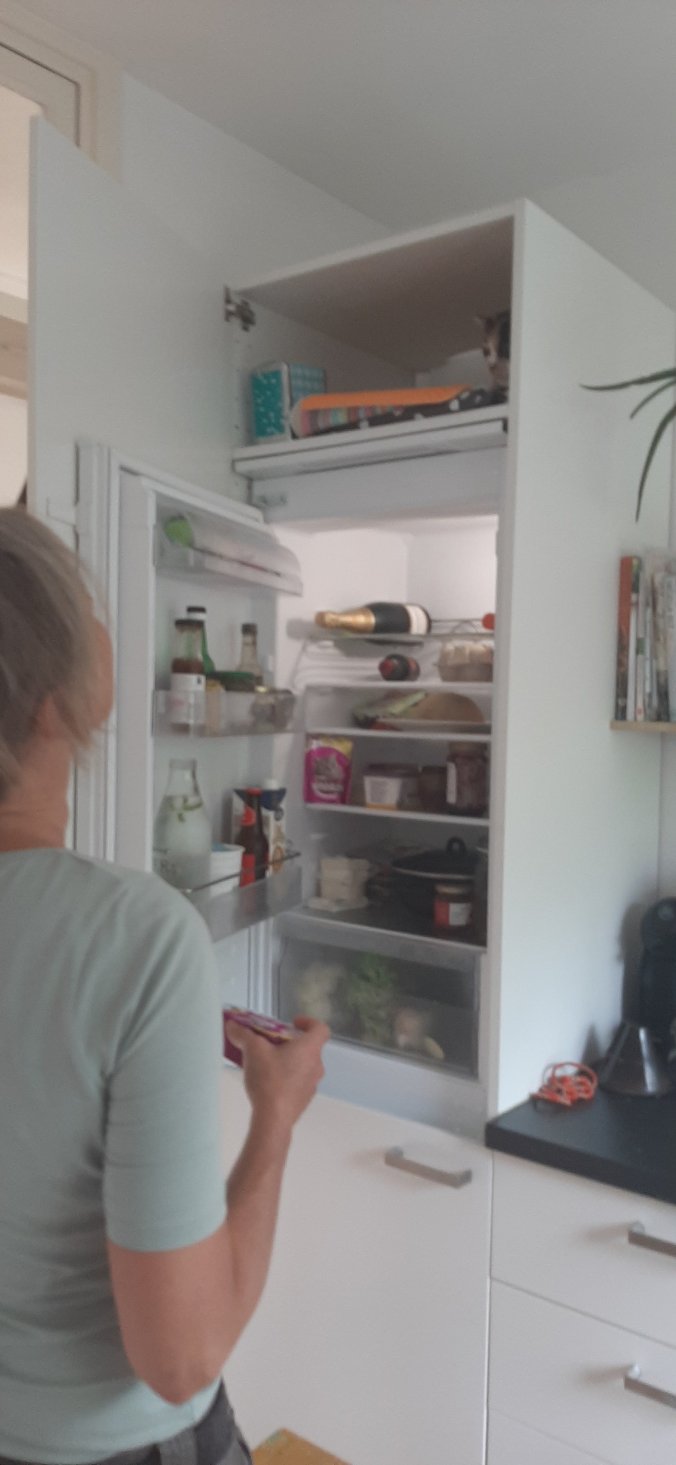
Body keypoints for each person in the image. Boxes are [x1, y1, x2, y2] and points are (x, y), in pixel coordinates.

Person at [0, 508, 329, 1465]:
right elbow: (181, 1357)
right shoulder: (136, 938)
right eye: (89, 610)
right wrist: (276, 1117)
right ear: (50, 703)